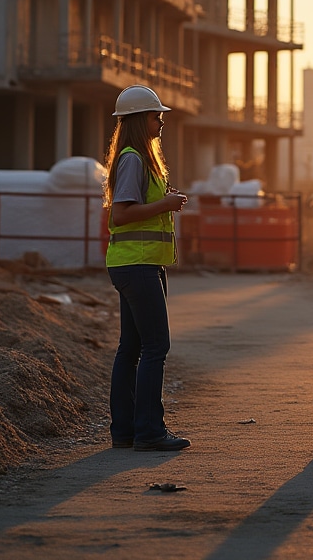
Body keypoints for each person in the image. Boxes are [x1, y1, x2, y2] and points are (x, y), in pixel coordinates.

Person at [103, 84, 190, 452]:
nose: (162, 121)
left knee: (133, 346)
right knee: (156, 346)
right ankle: (149, 431)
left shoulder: (138, 157)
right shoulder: (133, 158)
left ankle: (125, 429)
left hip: (137, 264)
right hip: (137, 265)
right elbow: (120, 214)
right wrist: (166, 204)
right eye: (157, 116)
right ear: (140, 120)